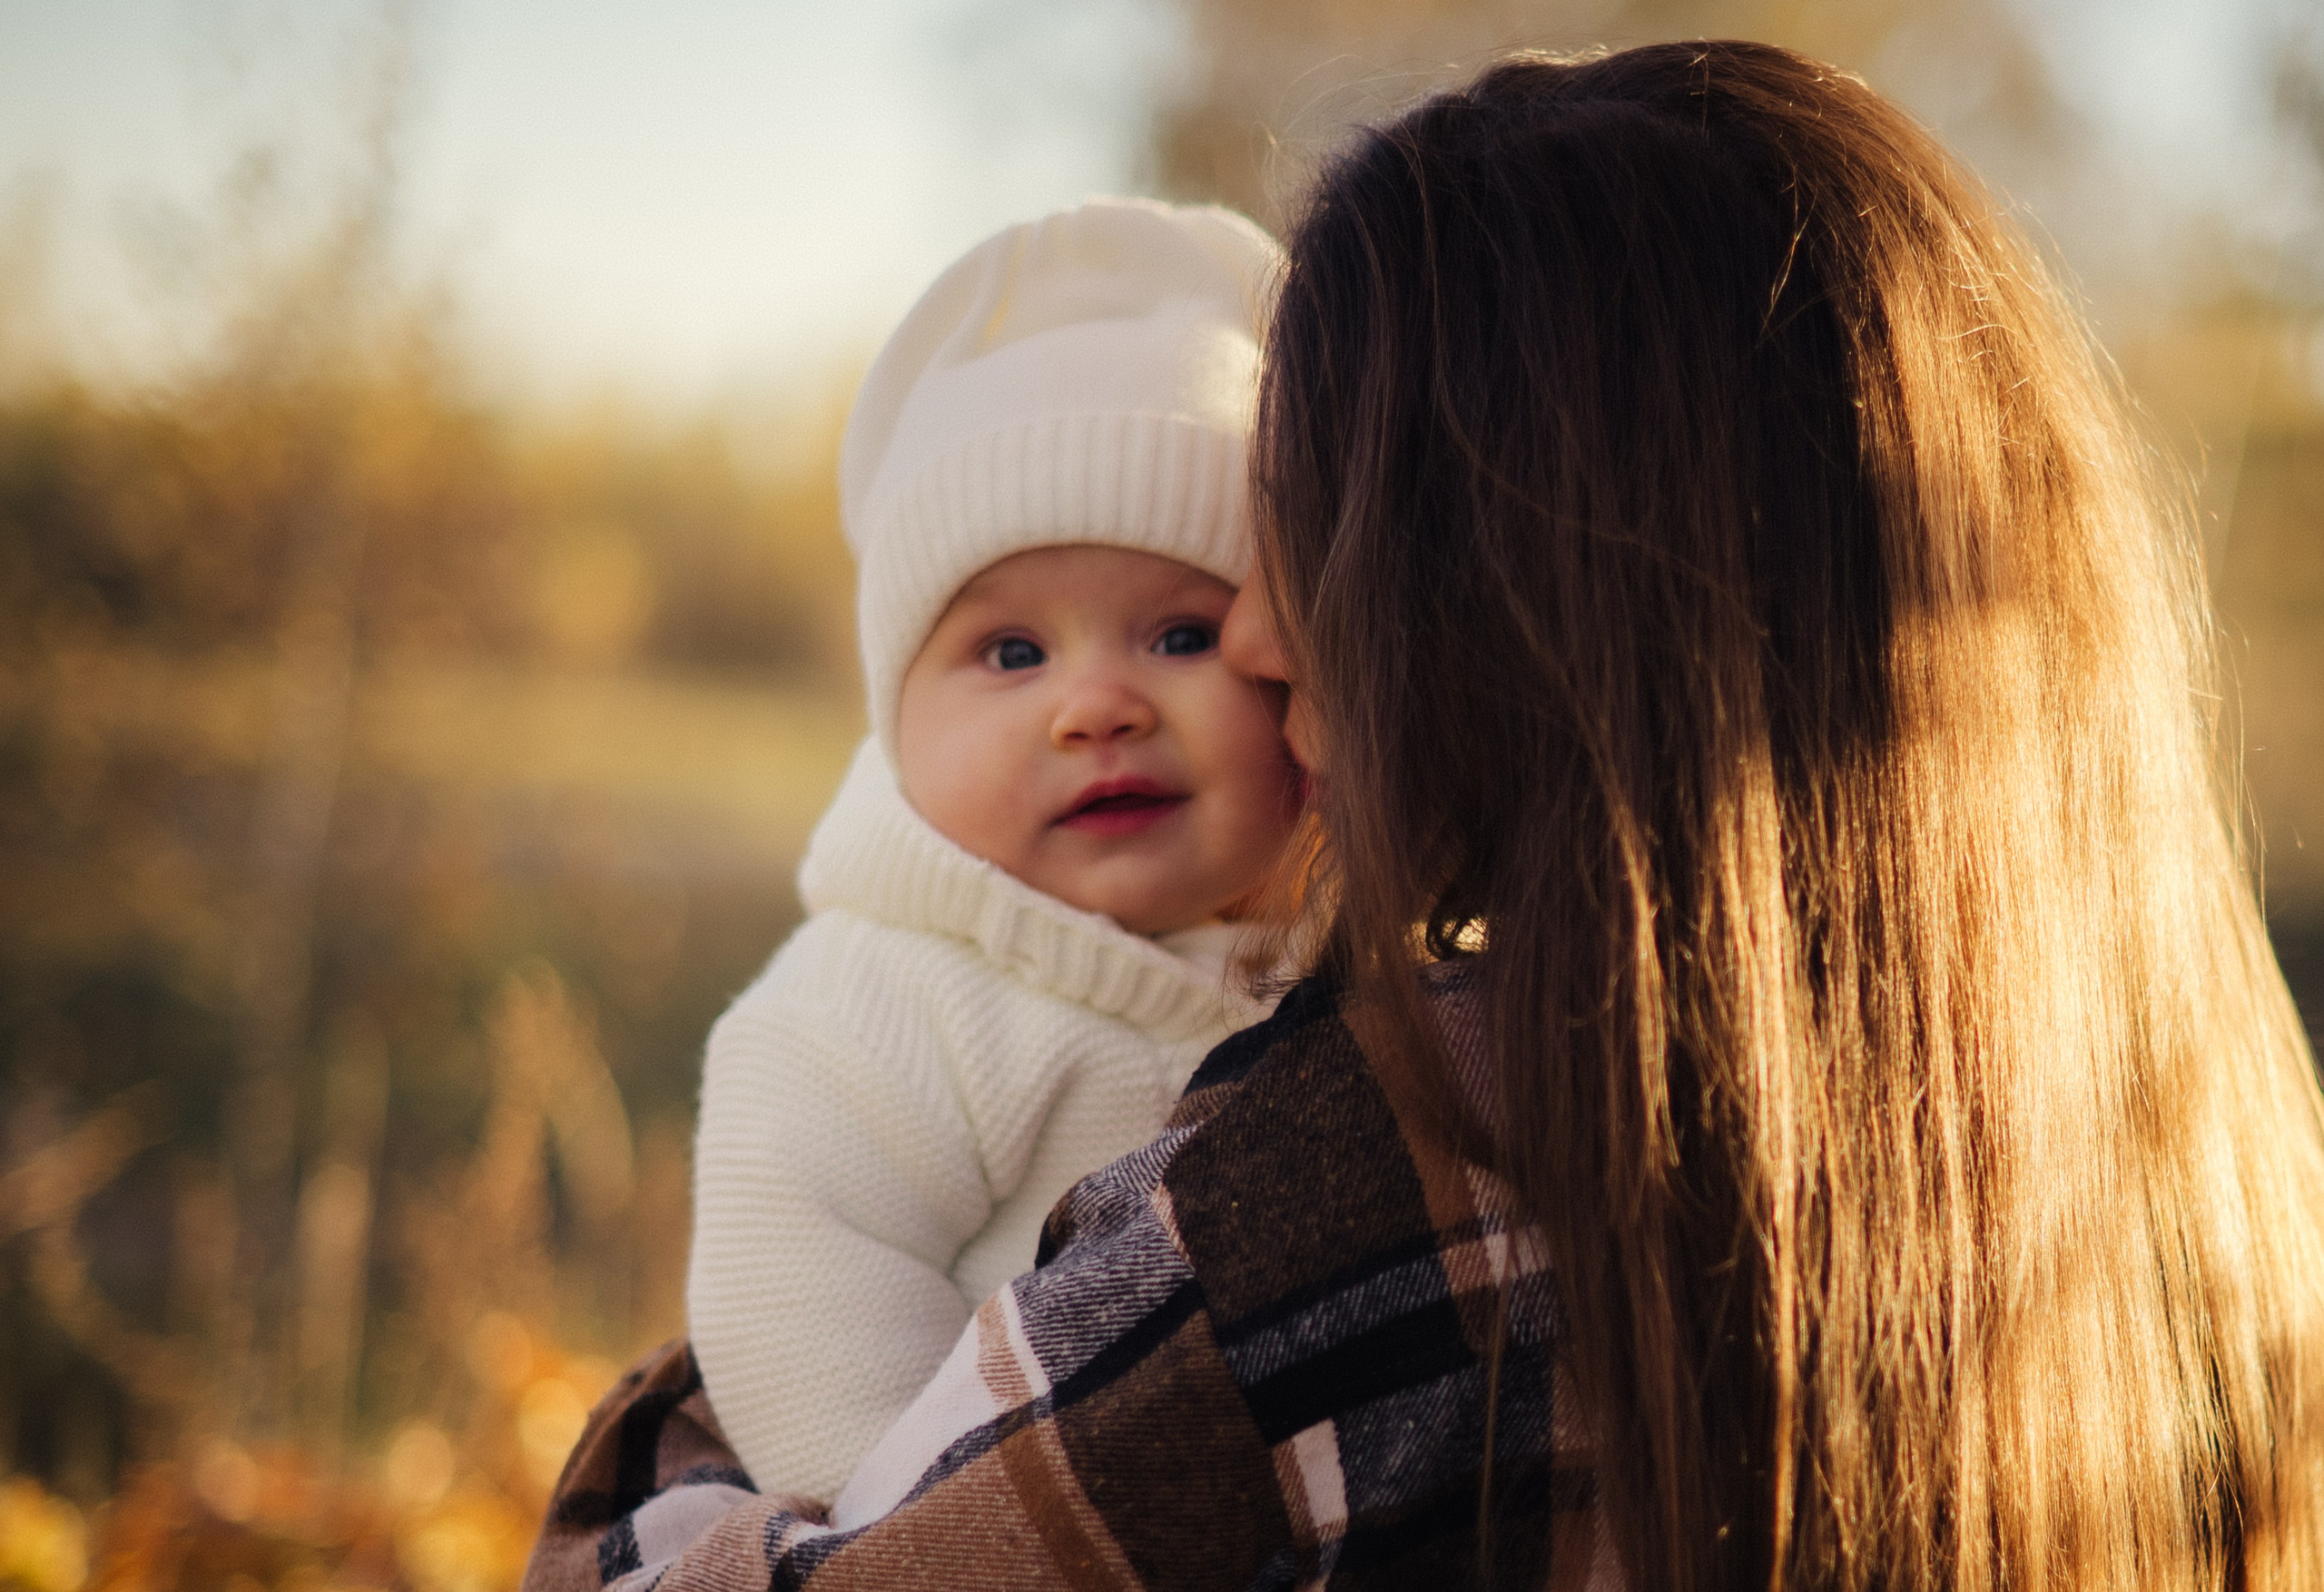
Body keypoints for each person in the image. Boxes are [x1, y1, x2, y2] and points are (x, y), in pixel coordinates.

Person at [527, 41, 2324, 1591]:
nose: (1247, 631)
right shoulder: (2189, 1149)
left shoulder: (1344, 1177)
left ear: (1522, 582)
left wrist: (669, 1473)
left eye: (1305, 528)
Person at [684, 197, 1300, 1502]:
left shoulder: (1359, 946)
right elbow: (801, 1300)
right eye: (1012, 653)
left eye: (1180, 635)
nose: (1098, 706)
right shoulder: (882, 1003)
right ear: (894, 720)